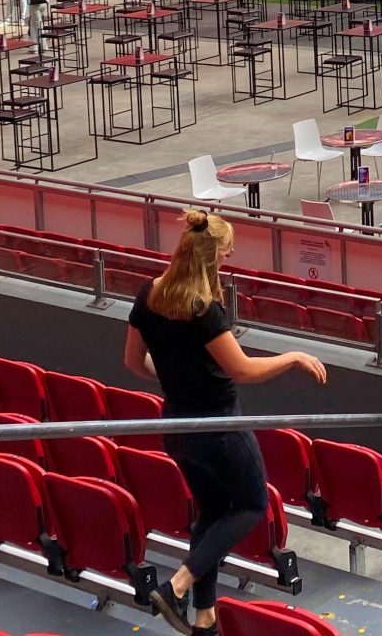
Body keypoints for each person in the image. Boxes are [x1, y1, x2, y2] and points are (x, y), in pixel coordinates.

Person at [125, 209, 326, 634]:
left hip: (176, 427)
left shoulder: (149, 294)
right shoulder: (203, 309)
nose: (230, 257)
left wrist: (175, 378)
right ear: (209, 259)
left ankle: (204, 618)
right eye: (225, 254)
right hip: (217, 426)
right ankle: (178, 585)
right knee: (253, 504)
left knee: (213, 513)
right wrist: (293, 356)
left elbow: (132, 362)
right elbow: (243, 371)